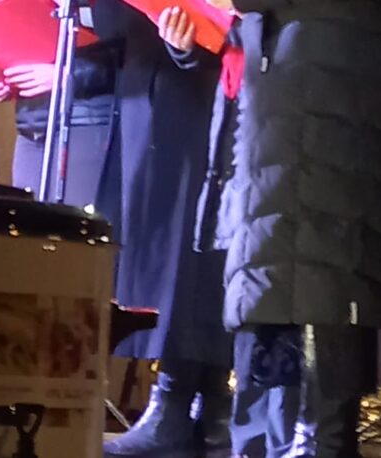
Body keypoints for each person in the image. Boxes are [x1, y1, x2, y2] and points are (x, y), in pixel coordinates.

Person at [220, 0, 381, 455]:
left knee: (323, 279)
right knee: (282, 280)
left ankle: (310, 439)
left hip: (325, 75)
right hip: (297, 71)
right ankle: (282, 441)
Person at [85, 1, 231, 457]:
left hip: (209, 84)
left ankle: (189, 403)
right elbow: (111, 22)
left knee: (195, 248)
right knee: (165, 248)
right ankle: (195, 406)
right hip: (148, 83)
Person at [154, 5, 299, 456]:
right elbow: (226, 57)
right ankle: (246, 440)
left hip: (287, 155)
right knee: (249, 305)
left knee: (277, 315)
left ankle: (276, 442)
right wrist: (187, 46)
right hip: (238, 151)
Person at [0, 39, 118, 207]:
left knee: (73, 215)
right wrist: (3, 81)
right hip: (31, 125)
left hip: (83, 121)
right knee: (27, 215)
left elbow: (127, 55)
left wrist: (67, 75)